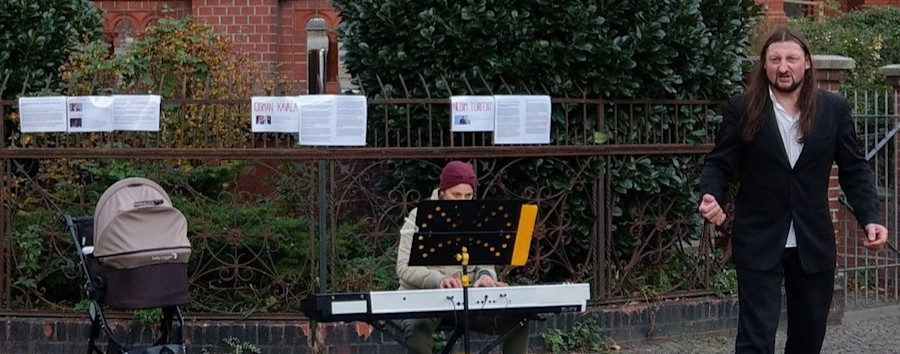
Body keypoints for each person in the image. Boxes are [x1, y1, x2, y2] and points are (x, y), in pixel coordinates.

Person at [698, 27, 888, 354]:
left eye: (791, 58)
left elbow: (855, 168)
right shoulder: (742, 108)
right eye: (774, 59)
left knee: (808, 338)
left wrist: (869, 216)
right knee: (755, 340)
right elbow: (718, 162)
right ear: (764, 65)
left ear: (808, 63)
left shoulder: (834, 108)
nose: (783, 67)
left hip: (813, 242)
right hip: (758, 239)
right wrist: (710, 195)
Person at [396, 160, 529, 354]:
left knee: (519, 320)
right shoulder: (418, 216)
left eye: (468, 195)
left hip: (466, 299)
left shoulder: (476, 217)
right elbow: (403, 267)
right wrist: (439, 280)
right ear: (442, 193)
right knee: (419, 329)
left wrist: (486, 276)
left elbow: (485, 262)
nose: (462, 200)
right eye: (456, 194)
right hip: (421, 297)